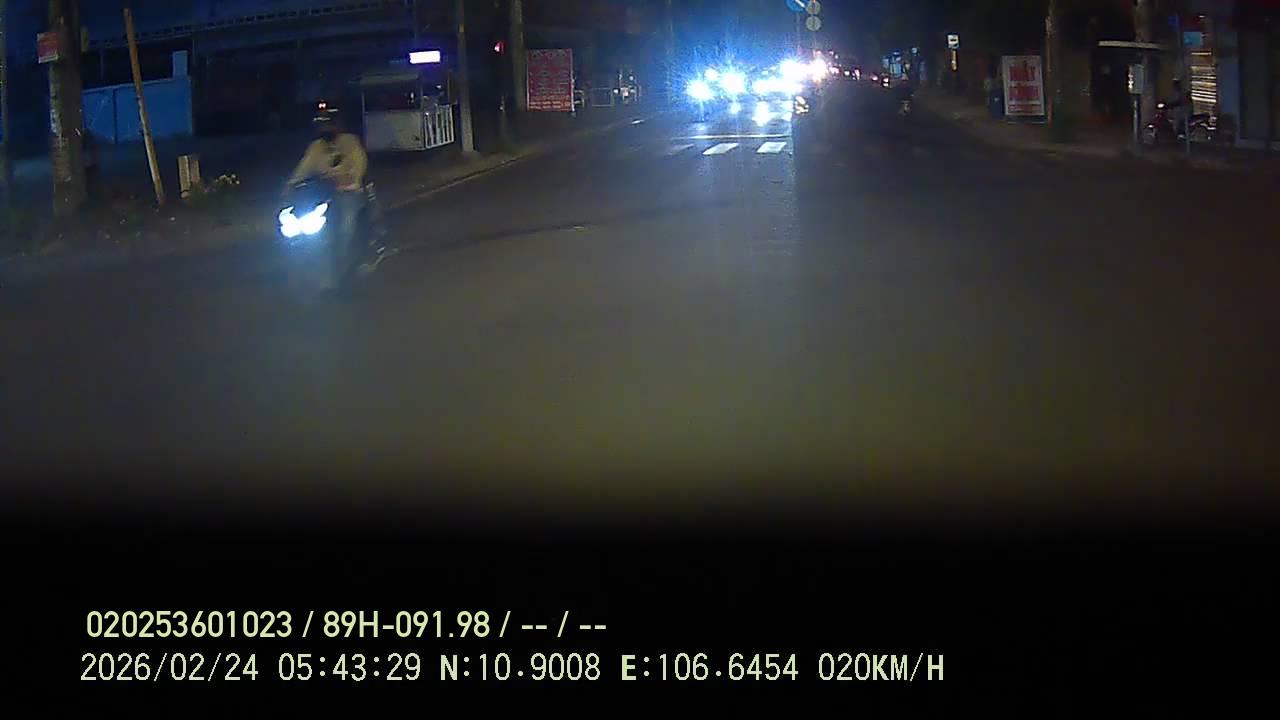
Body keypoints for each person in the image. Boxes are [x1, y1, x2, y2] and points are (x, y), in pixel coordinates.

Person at [285, 108, 372, 260]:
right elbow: (304, 166)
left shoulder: (350, 142)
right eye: (323, 125)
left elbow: (359, 163)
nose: (326, 128)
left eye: (329, 124)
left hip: (348, 192)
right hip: (324, 193)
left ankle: (349, 259)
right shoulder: (316, 147)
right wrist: (292, 184)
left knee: (346, 226)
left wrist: (351, 178)